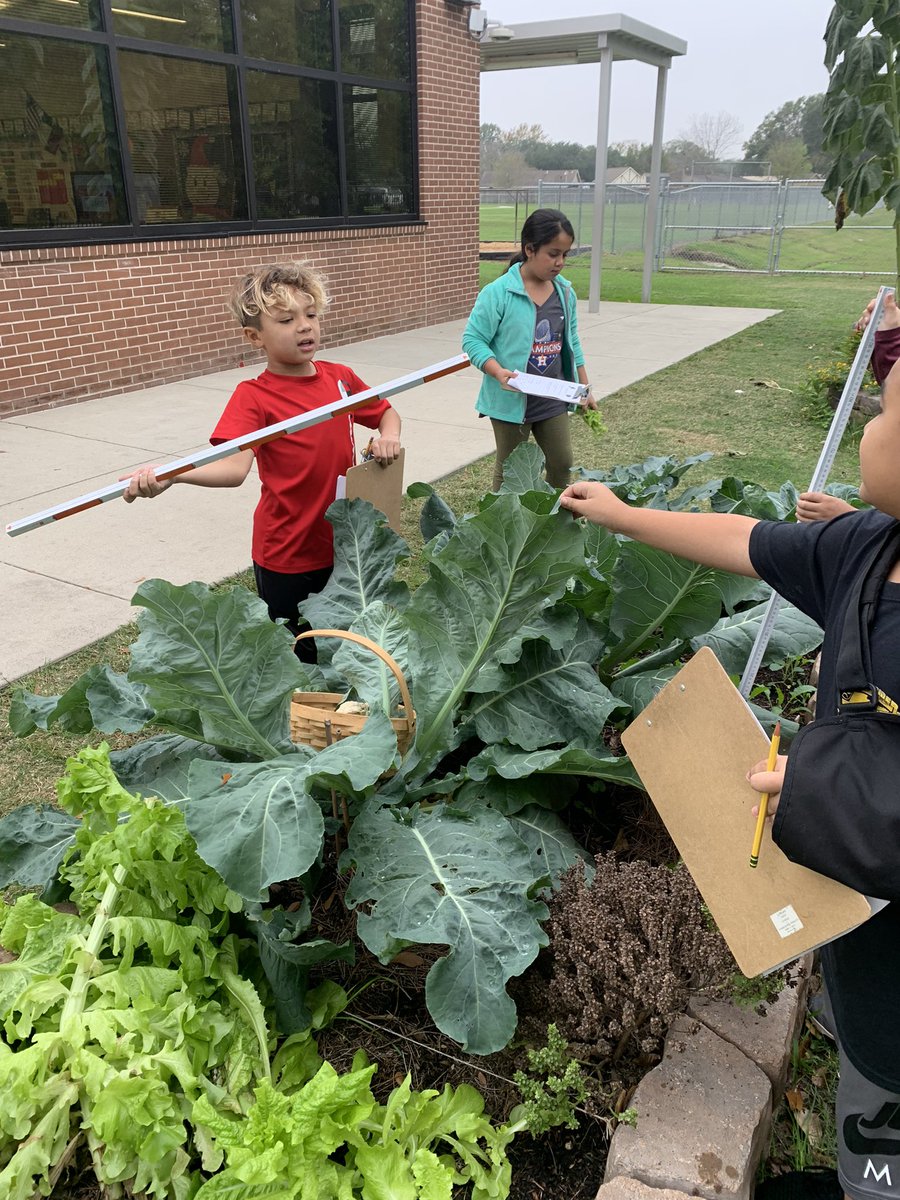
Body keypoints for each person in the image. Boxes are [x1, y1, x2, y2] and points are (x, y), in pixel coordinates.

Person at [560, 294, 900, 1200]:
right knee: (861, 1037)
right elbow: (744, 542)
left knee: (886, 1093)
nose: (871, 420)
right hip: (850, 907)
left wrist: (824, 785)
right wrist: (627, 515)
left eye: (892, 409)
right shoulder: (866, 549)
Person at [123, 261, 401, 659]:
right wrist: (173, 476)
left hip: (344, 544)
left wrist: (388, 436)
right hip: (287, 554)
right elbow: (233, 469)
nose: (304, 326)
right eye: (286, 320)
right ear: (255, 337)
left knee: (351, 645)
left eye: (311, 314)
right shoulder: (253, 396)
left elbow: (386, 413)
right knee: (298, 655)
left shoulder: (341, 378)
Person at [462, 207, 597, 492]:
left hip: (552, 396)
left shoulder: (565, 292)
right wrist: (497, 372)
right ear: (530, 249)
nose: (560, 262)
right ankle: (503, 528)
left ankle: (552, 524)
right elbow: (473, 341)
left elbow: (572, 341)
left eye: (565, 254)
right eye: (553, 253)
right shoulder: (498, 293)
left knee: (562, 463)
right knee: (511, 472)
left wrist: (584, 389)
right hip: (511, 401)